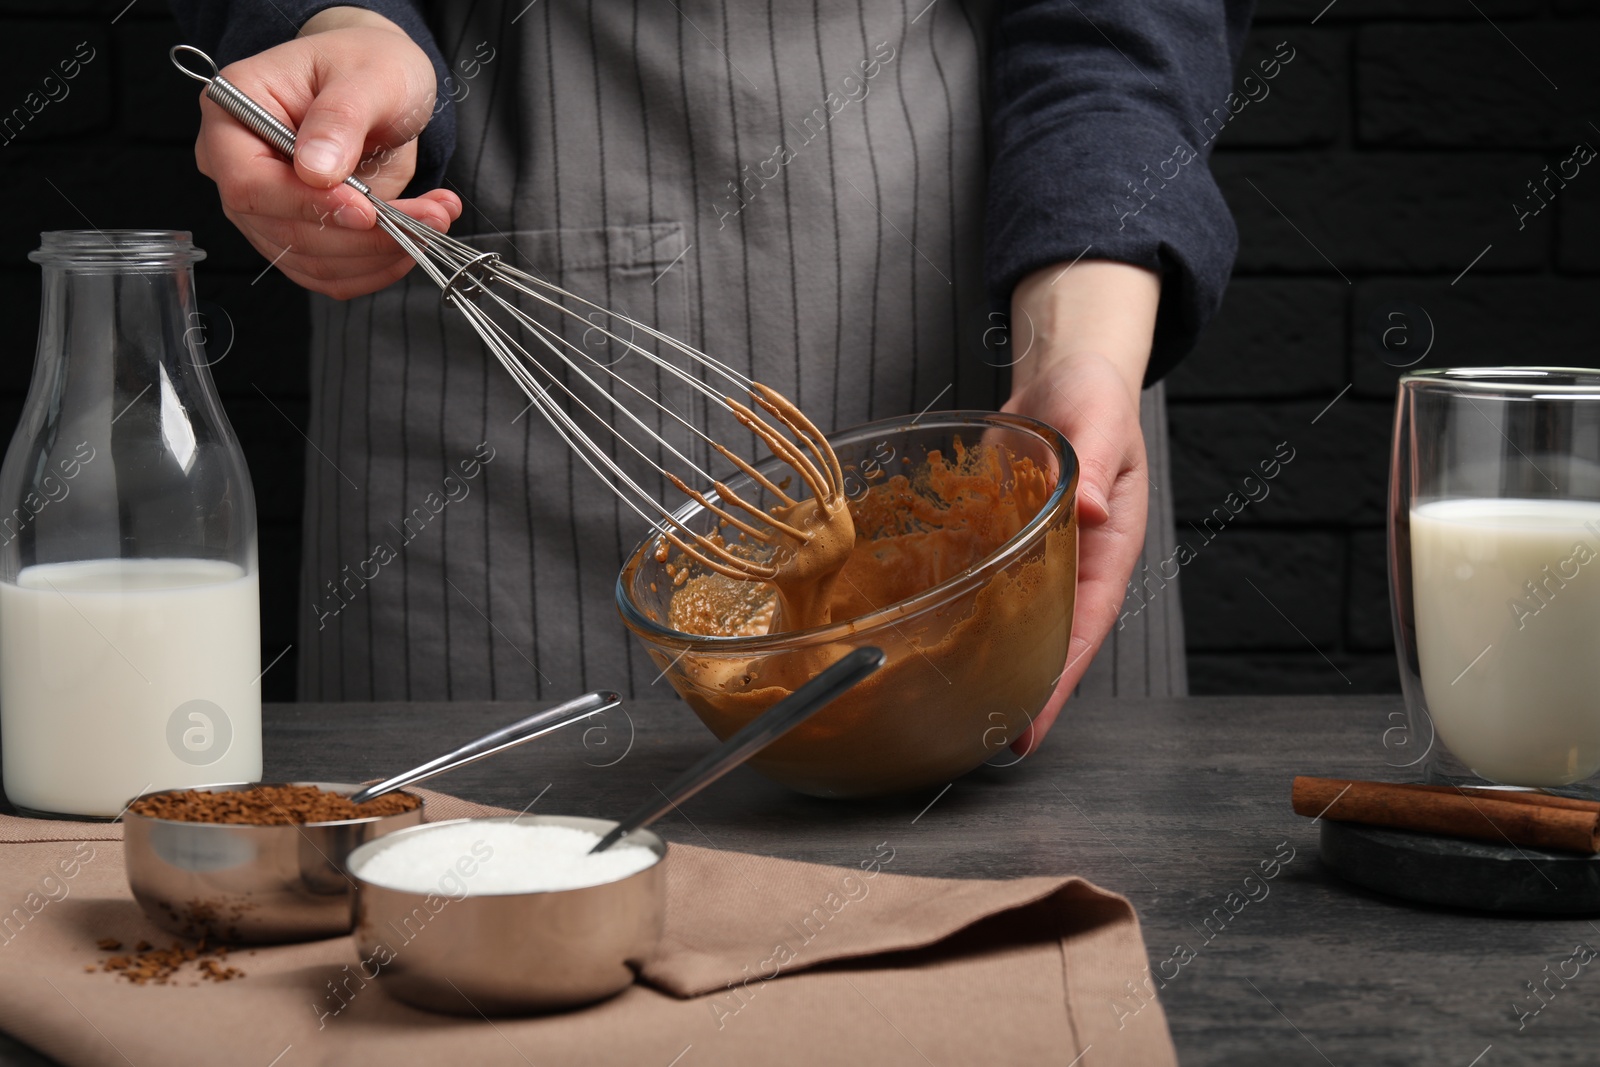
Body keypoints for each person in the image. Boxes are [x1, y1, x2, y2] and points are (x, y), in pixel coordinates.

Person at [172, 0, 1249, 755]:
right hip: (486, 356)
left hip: (1015, 307)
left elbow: (1124, 23)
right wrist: (333, 26)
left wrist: (1082, 345)